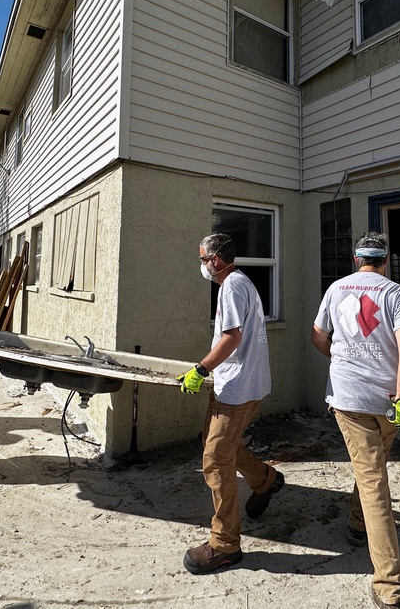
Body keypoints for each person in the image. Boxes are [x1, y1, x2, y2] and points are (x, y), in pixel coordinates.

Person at [311, 232, 400, 609]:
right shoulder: (396, 294)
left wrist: (339, 359)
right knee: (373, 469)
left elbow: (318, 336)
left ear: (357, 259)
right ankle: (361, 530)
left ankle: (390, 589)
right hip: (387, 401)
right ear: (384, 260)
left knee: (371, 474)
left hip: (350, 397)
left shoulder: (337, 289)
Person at [177, 233, 283, 575]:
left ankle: (225, 545)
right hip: (236, 383)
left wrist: (201, 368)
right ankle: (265, 480)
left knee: (214, 458)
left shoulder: (232, 286)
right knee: (219, 443)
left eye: (202, 259)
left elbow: (231, 336)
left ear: (216, 261)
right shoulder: (238, 283)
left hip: (238, 387)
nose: (202, 266)